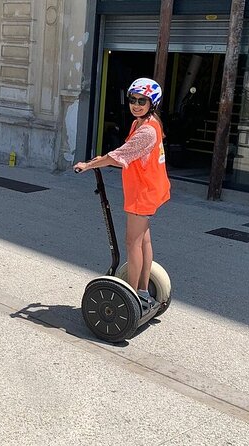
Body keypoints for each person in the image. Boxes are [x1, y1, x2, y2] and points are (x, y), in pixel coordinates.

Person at [73, 78, 170, 310]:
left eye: (142, 101)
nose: (136, 104)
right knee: (143, 240)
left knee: (132, 242)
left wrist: (89, 165)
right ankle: (145, 291)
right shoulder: (144, 123)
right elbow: (129, 155)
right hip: (147, 188)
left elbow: (121, 155)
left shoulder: (146, 130)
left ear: (152, 103)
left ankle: (135, 295)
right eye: (133, 100)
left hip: (143, 192)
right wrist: (101, 161)